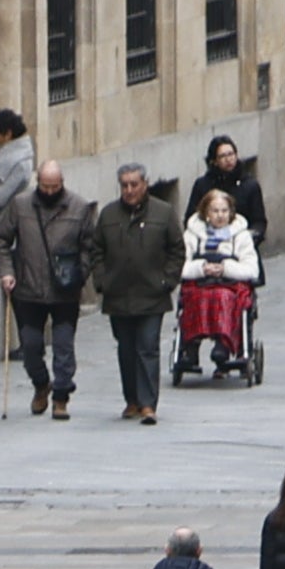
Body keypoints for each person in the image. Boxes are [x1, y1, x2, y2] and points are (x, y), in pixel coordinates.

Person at [0, 163, 90, 418]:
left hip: (65, 290)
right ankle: (41, 383)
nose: (50, 191)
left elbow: (90, 246)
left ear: (62, 182)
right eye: (45, 186)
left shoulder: (79, 207)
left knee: (64, 345)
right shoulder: (20, 206)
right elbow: (0, 241)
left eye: (55, 186)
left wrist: (81, 274)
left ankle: (61, 396)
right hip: (28, 289)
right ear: (38, 182)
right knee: (31, 346)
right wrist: (7, 272)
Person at [88, 162, 185, 423]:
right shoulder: (109, 215)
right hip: (118, 295)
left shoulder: (163, 213)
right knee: (126, 349)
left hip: (152, 294)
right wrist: (101, 280)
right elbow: (96, 250)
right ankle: (131, 399)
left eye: (134, 185)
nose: (129, 190)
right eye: (124, 185)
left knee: (148, 347)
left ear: (145, 184)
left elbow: (177, 249)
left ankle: (148, 404)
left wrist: (167, 280)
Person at [172, 186, 261, 383]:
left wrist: (225, 268)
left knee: (223, 297)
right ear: (205, 213)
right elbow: (178, 267)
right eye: (215, 211)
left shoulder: (241, 235)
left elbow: (252, 269)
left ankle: (223, 343)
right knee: (196, 297)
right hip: (200, 282)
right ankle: (191, 345)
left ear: (231, 213)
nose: (220, 216)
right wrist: (201, 268)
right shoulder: (192, 235)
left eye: (224, 211)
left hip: (230, 285)